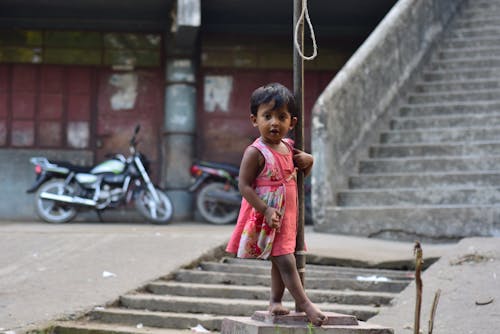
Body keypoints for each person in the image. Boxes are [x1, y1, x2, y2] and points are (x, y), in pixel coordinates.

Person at [226, 82, 328, 326]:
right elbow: (244, 186)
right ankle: (305, 303)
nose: (274, 123)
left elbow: (301, 174)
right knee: (285, 260)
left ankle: (275, 300)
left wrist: (309, 161)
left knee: (282, 257)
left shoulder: (290, 148)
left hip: (290, 216)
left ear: (292, 122)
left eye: (281, 117)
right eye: (267, 116)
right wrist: (266, 209)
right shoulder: (255, 152)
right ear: (254, 119)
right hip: (269, 215)